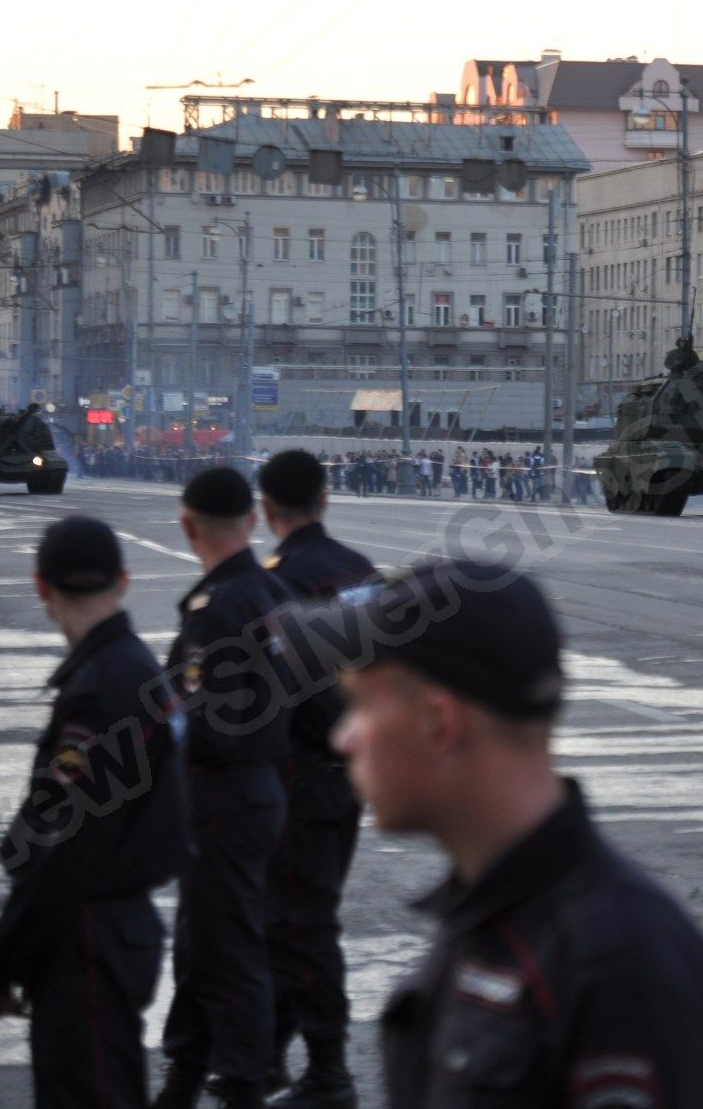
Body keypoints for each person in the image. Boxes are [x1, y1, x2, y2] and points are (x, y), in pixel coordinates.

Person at [326, 558, 703, 1109]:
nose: (343, 739)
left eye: (359, 705)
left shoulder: (618, 967)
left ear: (438, 721)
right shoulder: (497, 916)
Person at [0, 517, 189, 1109]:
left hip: (87, 939)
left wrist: (3, 957)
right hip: (116, 928)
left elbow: (62, 844)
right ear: (123, 580)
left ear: (41, 588)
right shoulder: (135, 670)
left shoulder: (98, 689)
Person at [156, 467, 296, 1109]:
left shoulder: (217, 608)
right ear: (252, 520)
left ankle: (243, 1080)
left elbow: (202, 718)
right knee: (205, 938)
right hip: (263, 786)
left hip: (222, 792)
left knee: (226, 946)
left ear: (188, 527)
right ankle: (187, 1074)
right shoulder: (272, 592)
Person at [255, 451, 375, 1109]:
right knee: (293, 917)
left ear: (268, 510)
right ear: (325, 498)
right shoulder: (362, 572)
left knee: (300, 923)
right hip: (356, 771)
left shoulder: (280, 580)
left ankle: (328, 1073)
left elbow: (288, 691)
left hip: (302, 773)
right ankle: (268, 1054)